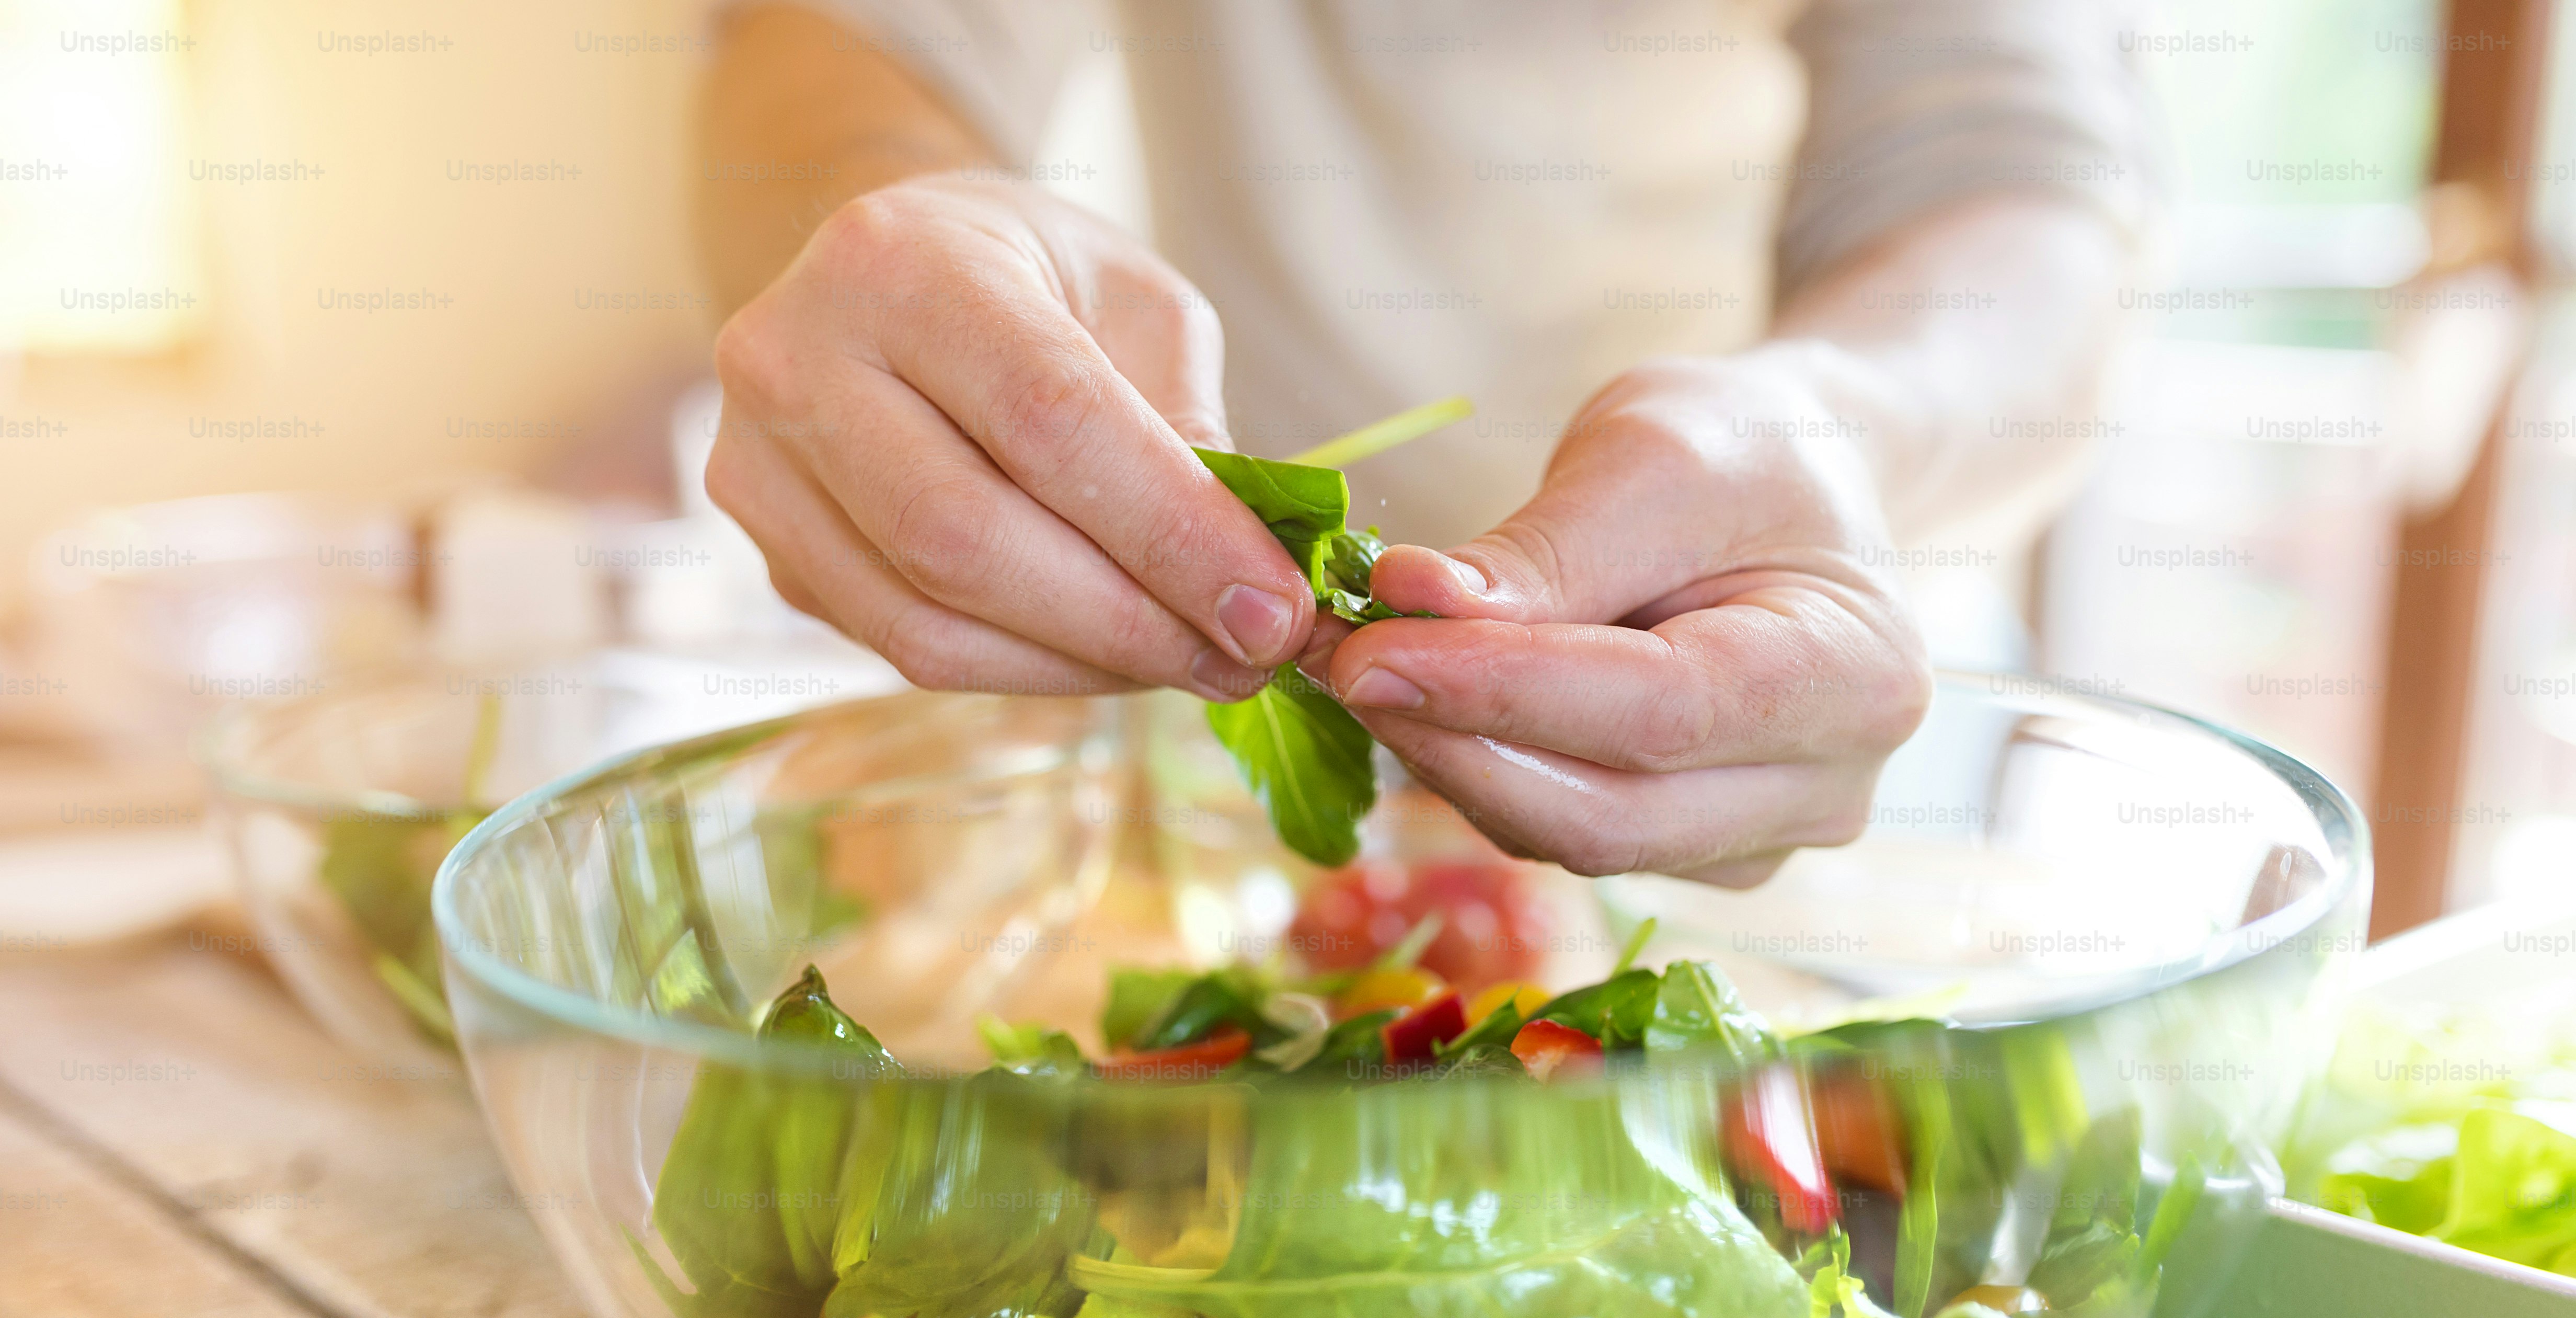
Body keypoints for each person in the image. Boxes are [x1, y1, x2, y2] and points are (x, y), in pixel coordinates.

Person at [696, 1, 2152, 884]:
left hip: (1807, 682)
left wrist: (1836, 431)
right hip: (1214, 719)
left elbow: (2013, 184)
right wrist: (896, 239)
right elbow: (841, 43)